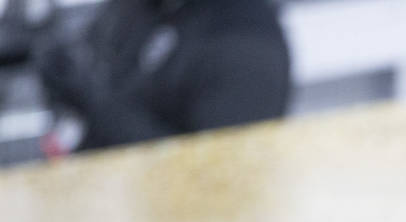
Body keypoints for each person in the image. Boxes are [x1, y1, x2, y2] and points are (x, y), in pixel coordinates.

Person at [33, 0, 289, 154]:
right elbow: (96, 54)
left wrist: (93, 104)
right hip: (98, 195)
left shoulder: (245, 41)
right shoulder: (144, 8)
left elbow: (210, 177)